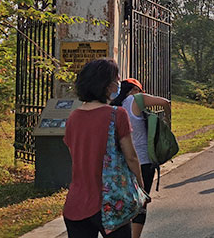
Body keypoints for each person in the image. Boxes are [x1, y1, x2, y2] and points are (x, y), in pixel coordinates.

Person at [63, 59, 146, 238]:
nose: (118, 83)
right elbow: (131, 157)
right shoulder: (117, 114)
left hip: (76, 203)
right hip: (111, 203)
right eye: (116, 79)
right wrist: (140, 186)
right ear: (106, 85)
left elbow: (75, 157)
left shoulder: (73, 117)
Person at [110, 78, 171, 238]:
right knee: (141, 203)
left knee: (121, 202)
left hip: (120, 163)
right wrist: (167, 120)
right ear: (135, 90)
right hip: (143, 162)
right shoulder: (137, 99)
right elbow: (165, 102)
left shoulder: (113, 106)